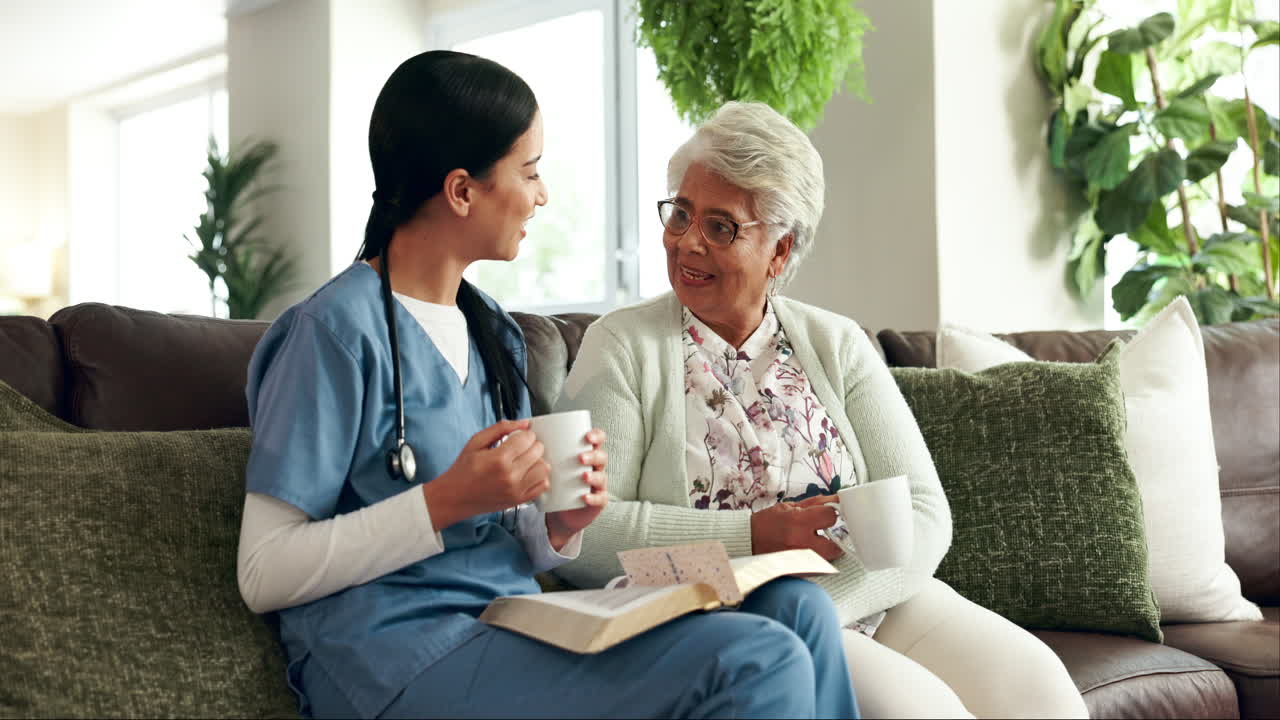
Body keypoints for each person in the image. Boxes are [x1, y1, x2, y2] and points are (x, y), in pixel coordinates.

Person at [236, 52, 860, 720]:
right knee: (756, 661)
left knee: (798, 609)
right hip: (396, 656)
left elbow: (507, 540)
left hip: (513, 624)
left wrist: (558, 527)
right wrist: (446, 499)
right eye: (529, 171)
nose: (542, 195)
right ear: (461, 190)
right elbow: (264, 571)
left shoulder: (495, 336)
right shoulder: (333, 333)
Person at [553, 101, 1089, 719]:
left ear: (779, 253)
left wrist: (825, 605)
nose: (687, 242)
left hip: (867, 594)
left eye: (721, 226)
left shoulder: (836, 343)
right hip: (731, 612)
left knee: (1042, 691)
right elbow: (583, 533)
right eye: (681, 213)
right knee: (927, 711)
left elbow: (923, 510)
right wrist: (755, 543)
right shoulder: (622, 345)